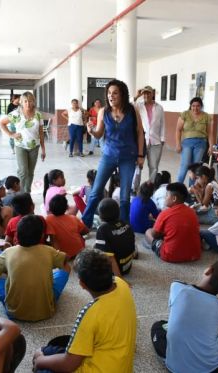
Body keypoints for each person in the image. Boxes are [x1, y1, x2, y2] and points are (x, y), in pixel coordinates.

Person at [32, 249, 136, 372]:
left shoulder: (90, 314)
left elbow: (68, 365)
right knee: (53, 348)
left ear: (82, 284)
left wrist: (40, 361)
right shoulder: (122, 285)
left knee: (41, 361)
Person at [151, 260, 218, 372]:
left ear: (208, 270)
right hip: (211, 367)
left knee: (157, 326)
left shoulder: (177, 288)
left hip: (176, 368)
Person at [81, 79, 145, 228]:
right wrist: (91, 131)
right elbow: (98, 134)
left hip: (128, 157)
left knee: (124, 197)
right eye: (109, 93)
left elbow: (140, 133)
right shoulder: (103, 111)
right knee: (96, 192)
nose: (111, 96)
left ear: (122, 94)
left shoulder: (132, 110)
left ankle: (123, 227)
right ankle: (85, 223)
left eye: (115, 93)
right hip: (108, 155)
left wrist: (141, 155)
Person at [0, 215, 69, 321]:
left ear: (17, 236)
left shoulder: (9, 252)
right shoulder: (48, 250)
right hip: (46, 311)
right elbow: (65, 258)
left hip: (14, 313)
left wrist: (8, 268)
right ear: (41, 236)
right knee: (66, 267)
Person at [0, 92, 46, 193]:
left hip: (34, 146)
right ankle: (20, 193)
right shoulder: (16, 114)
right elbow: (2, 123)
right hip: (20, 146)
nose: (28, 104)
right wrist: (11, 134)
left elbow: (41, 133)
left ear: (33, 102)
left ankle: (27, 193)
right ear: (21, 102)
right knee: (23, 171)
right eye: (25, 101)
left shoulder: (38, 115)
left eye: (30, 101)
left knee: (30, 172)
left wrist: (43, 149)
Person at [145, 183, 201, 263]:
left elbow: (154, 234)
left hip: (170, 255)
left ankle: (156, 246)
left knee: (148, 232)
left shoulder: (165, 213)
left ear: (174, 198)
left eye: (167, 195)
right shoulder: (192, 212)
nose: (165, 198)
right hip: (195, 254)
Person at [175, 97, 214, 184]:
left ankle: (192, 190)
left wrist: (211, 146)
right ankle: (177, 187)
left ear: (201, 106)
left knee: (196, 167)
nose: (195, 108)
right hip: (187, 143)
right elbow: (178, 130)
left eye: (198, 106)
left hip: (201, 143)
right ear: (190, 106)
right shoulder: (184, 114)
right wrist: (178, 144)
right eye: (193, 106)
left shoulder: (206, 116)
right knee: (185, 165)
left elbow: (210, 133)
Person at [95, 198, 136, 277]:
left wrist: (119, 277)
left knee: (92, 254)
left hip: (116, 269)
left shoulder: (102, 229)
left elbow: (110, 257)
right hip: (127, 265)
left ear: (101, 216)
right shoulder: (125, 223)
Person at [133, 85, 166, 182]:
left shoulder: (159, 107)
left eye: (148, 93)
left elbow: (163, 123)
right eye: (144, 93)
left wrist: (162, 138)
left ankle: (150, 187)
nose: (146, 95)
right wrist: (136, 96)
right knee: (138, 165)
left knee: (154, 167)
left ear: (153, 94)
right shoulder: (138, 105)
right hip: (141, 140)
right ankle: (135, 188)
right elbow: (128, 105)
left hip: (155, 141)